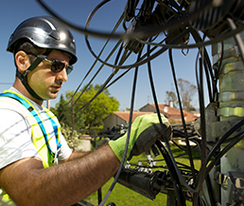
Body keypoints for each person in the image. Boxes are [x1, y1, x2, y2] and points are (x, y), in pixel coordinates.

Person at [0, 16, 171, 206]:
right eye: (56, 66)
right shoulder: (6, 112)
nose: (64, 77)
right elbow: (30, 193)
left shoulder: (45, 115)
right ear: (22, 61)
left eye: (67, 68)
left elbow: (68, 160)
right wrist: (120, 148)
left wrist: (112, 148)